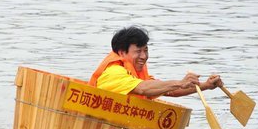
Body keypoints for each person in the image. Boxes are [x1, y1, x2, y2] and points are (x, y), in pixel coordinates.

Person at [89, 26, 222, 99]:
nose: (144, 56)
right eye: (138, 51)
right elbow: (142, 89)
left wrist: (206, 85)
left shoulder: (136, 74)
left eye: (146, 50)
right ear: (122, 52)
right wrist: (180, 82)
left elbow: (170, 91)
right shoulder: (114, 72)